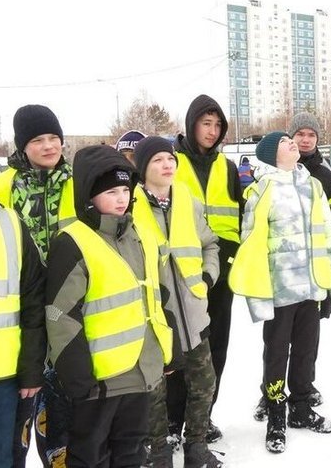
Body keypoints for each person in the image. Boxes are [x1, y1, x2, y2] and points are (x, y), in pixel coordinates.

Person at [45, 145, 173, 467]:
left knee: (130, 450)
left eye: (126, 190)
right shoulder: (72, 242)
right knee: (90, 455)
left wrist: (169, 348)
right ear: (89, 195)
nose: (121, 198)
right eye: (112, 191)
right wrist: (76, 373)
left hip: (139, 371)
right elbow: (59, 314)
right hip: (97, 381)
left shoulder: (139, 234)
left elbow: (157, 294)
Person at [228, 132, 331, 454]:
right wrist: (259, 295)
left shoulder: (313, 186)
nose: (291, 143)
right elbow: (251, 243)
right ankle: (275, 414)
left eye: (290, 140)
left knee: (306, 350)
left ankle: (300, 406)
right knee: (277, 353)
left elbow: (328, 236)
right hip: (280, 289)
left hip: (311, 287)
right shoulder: (262, 189)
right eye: (283, 142)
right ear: (270, 155)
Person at [251, 111, 331, 422]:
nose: (305, 140)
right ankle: (271, 397)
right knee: (278, 343)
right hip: (283, 277)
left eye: (311, 135)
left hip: (313, 269)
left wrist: (313, 225)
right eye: (299, 135)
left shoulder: (321, 176)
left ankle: (302, 393)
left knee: (307, 340)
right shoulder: (266, 181)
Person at [131, 136, 222, 468]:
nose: (167, 165)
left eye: (170, 159)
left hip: (194, 311)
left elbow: (211, 243)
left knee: (203, 382)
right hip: (154, 316)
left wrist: (208, 277)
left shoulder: (187, 199)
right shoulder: (131, 205)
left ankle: (196, 446)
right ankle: (159, 452)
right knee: (154, 390)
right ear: (142, 169)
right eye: (157, 160)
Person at [0, 104, 75, 468]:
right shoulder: (2, 186)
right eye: (38, 139)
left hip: (67, 308)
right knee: (17, 426)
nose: (48, 146)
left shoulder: (78, 180)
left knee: (61, 418)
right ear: (22, 145)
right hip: (22, 317)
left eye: (54, 138)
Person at [172, 94, 243, 443]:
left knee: (216, 347)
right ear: (191, 124)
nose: (212, 131)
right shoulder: (169, 162)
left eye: (218, 125)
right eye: (206, 123)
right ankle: (171, 422)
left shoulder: (227, 168)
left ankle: (202, 418)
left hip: (222, 274)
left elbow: (237, 217)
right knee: (179, 350)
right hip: (180, 273)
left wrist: (229, 260)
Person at [0, 203, 46, 468]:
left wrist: (31, 368)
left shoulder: (10, 223)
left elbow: (34, 303)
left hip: (4, 377)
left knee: (3, 458)